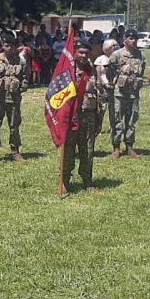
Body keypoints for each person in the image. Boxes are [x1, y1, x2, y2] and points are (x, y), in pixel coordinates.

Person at [0, 30, 29, 163]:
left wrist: (21, 87)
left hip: (14, 100)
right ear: (3, 46)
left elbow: (26, 77)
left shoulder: (21, 62)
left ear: (16, 47)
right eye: (6, 45)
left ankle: (15, 151)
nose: (9, 48)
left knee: (14, 126)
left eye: (12, 46)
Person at [62, 40, 99, 191]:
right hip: (71, 117)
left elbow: (98, 94)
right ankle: (64, 180)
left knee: (87, 150)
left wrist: (98, 118)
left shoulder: (92, 71)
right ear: (75, 53)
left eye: (86, 52)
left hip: (88, 117)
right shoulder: (67, 70)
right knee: (68, 150)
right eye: (80, 52)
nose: (83, 55)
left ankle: (87, 180)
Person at [108, 29, 145, 158]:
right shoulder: (116, 54)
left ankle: (130, 147)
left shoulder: (140, 55)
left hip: (133, 93)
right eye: (130, 38)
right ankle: (116, 147)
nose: (133, 40)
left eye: (135, 38)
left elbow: (141, 72)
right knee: (117, 119)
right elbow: (109, 72)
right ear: (124, 39)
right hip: (119, 93)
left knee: (131, 120)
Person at [96, 39, 117, 135]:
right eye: (113, 46)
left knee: (113, 109)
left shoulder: (117, 58)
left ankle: (113, 128)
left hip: (114, 87)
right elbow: (98, 73)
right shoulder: (100, 59)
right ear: (107, 48)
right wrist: (102, 84)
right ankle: (98, 128)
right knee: (102, 109)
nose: (115, 47)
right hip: (103, 87)